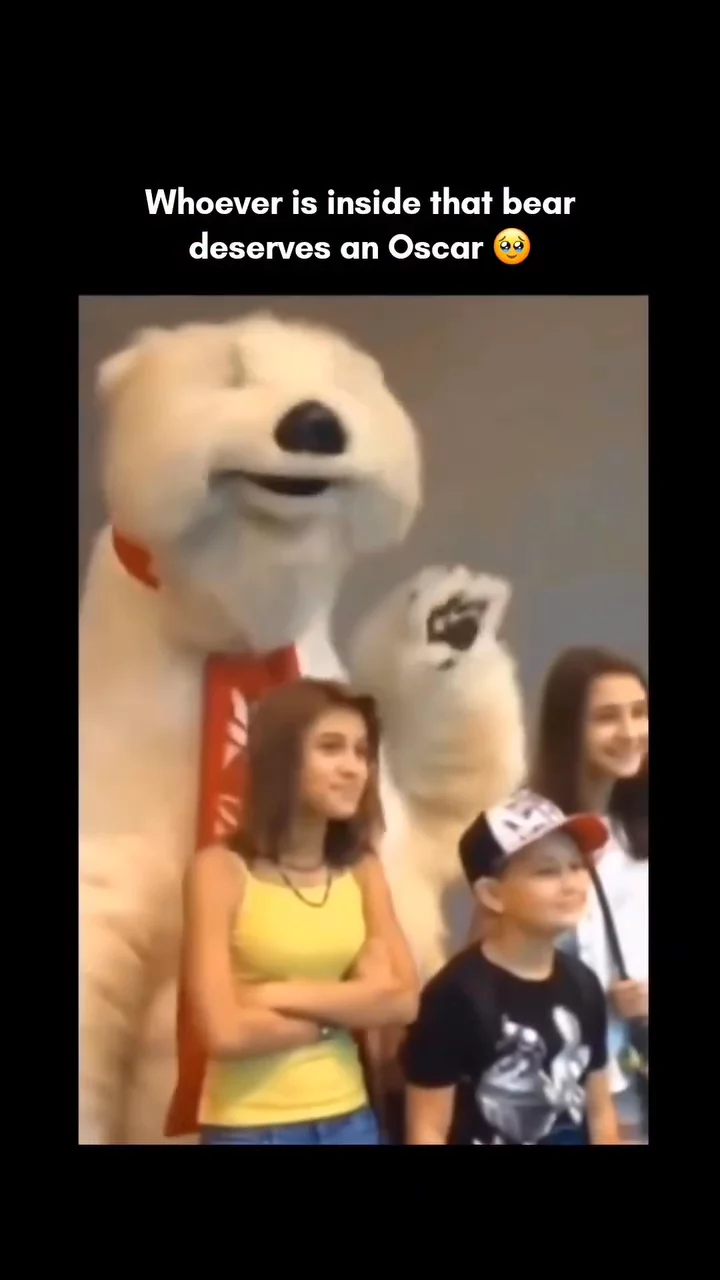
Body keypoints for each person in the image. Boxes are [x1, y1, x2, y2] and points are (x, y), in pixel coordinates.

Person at [183, 677, 419, 1145]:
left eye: (361, 752)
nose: (353, 768)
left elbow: (403, 999)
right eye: (331, 748)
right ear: (282, 759)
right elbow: (223, 1032)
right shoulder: (219, 870)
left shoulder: (363, 869)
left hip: (350, 1119)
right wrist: (349, 1007)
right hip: (249, 1127)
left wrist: (271, 994)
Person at [402, 789, 620, 1145]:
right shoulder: (454, 995)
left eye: (577, 866)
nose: (570, 884)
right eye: (547, 872)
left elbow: (599, 1112)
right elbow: (427, 1129)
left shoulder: (583, 983)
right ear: (492, 894)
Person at [529, 647, 649, 1142]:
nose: (630, 731)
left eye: (639, 712)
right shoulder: (527, 835)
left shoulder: (637, 829)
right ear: (568, 729)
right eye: (606, 717)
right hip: (567, 1096)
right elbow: (492, 972)